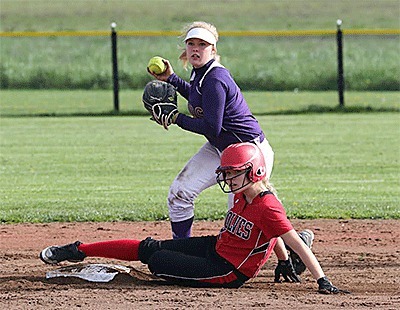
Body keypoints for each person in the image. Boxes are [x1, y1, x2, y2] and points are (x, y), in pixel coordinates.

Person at [39, 142, 348, 293]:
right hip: (217, 248)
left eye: (232, 172)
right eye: (226, 171)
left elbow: (290, 237)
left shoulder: (267, 206)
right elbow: (273, 237)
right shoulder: (243, 193)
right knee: (150, 247)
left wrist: (323, 281)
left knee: (158, 262)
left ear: (254, 172)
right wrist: (281, 260)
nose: (227, 176)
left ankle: (309, 272)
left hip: (227, 271)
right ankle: (79, 249)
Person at [146, 21, 275, 239]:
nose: (196, 49)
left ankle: (294, 248)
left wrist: (176, 118)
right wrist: (172, 79)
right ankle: (181, 251)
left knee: (245, 216)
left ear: (213, 49)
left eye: (202, 45)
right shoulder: (200, 73)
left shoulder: (215, 78)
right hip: (221, 148)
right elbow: (199, 98)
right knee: (180, 193)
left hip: (248, 153)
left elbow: (211, 127)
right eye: (191, 44)